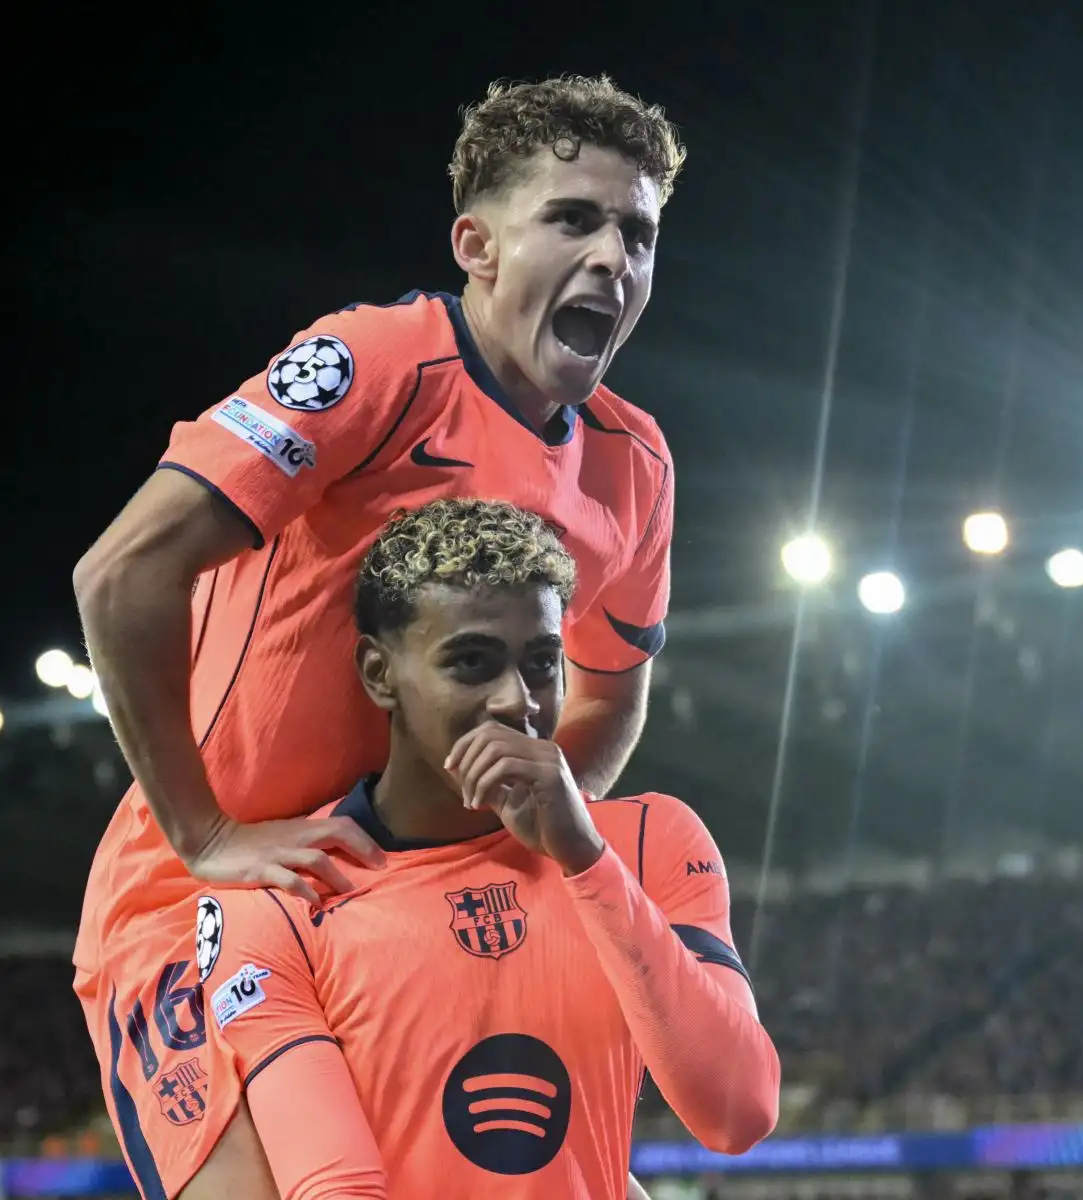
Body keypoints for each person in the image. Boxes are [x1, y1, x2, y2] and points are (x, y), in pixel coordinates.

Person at [72, 75, 684, 1198]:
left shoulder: (633, 464)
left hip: (413, 906)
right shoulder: (380, 363)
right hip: (212, 902)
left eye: (637, 233)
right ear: (478, 245)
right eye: (573, 218)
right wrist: (205, 833)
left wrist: (535, 825)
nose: (614, 257)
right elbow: (122, 573)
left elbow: (613, 688)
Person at [199, 498, 779, 1197]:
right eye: (471, 662)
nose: (516, 701)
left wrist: (585, 859)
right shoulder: (281, 899)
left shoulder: (649, 839)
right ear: (379, 673)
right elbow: (336, 1186)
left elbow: (738, 1111)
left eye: (541, 662)